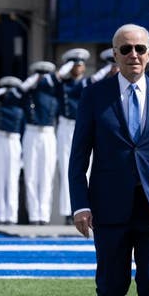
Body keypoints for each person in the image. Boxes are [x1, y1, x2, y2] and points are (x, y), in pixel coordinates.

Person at [69, 23, 149, 296]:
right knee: (111, 286)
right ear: (115, 54)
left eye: (140, 48)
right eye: (125, 49)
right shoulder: (93, 96)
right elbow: (78, 157)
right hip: (109, 208)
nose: (133, 54)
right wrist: (79, 206)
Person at [19, 60, 58, 225]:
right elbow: (18, 91)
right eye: (39, 75)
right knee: (31, 175)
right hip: (31, 132)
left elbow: (61, 79)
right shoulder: (28, 93)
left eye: (44, 75)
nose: (41, 79)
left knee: (46, 175)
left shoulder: (53, 92)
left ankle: (44, 215)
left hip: (48, 133)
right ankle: (34, 215)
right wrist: (31, 80)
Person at [55, 48, 91, 225]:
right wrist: (66, 66)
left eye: (80, 65)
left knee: (87, 168)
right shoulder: (62, 83)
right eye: (74, 65)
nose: (77, 68)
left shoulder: (87, 83)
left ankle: (86, 208)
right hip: (65, 127)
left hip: (82, 126)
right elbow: (55, 78)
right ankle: (69, 211)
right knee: (66, 168)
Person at [0, 76, 25, 225]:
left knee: (11, 180)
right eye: (7, 91)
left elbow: (24, 131)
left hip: (14, 141)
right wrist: (0, 91)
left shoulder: (21, 107)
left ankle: (11, 216)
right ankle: (0, 216)